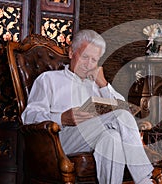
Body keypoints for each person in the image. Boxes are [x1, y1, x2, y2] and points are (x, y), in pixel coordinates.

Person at [21, 29, 154, 184]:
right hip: (60, 141)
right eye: (85, 57)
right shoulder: (48, 80)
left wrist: (103, 84)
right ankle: (144, 180)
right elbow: (28, 117)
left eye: (94, 60)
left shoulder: (96, 84)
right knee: (121, 116)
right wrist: (61, 118)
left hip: (95, 138)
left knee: (113, 139)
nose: (88, 64)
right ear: (71, 53)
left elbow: (125, 109)